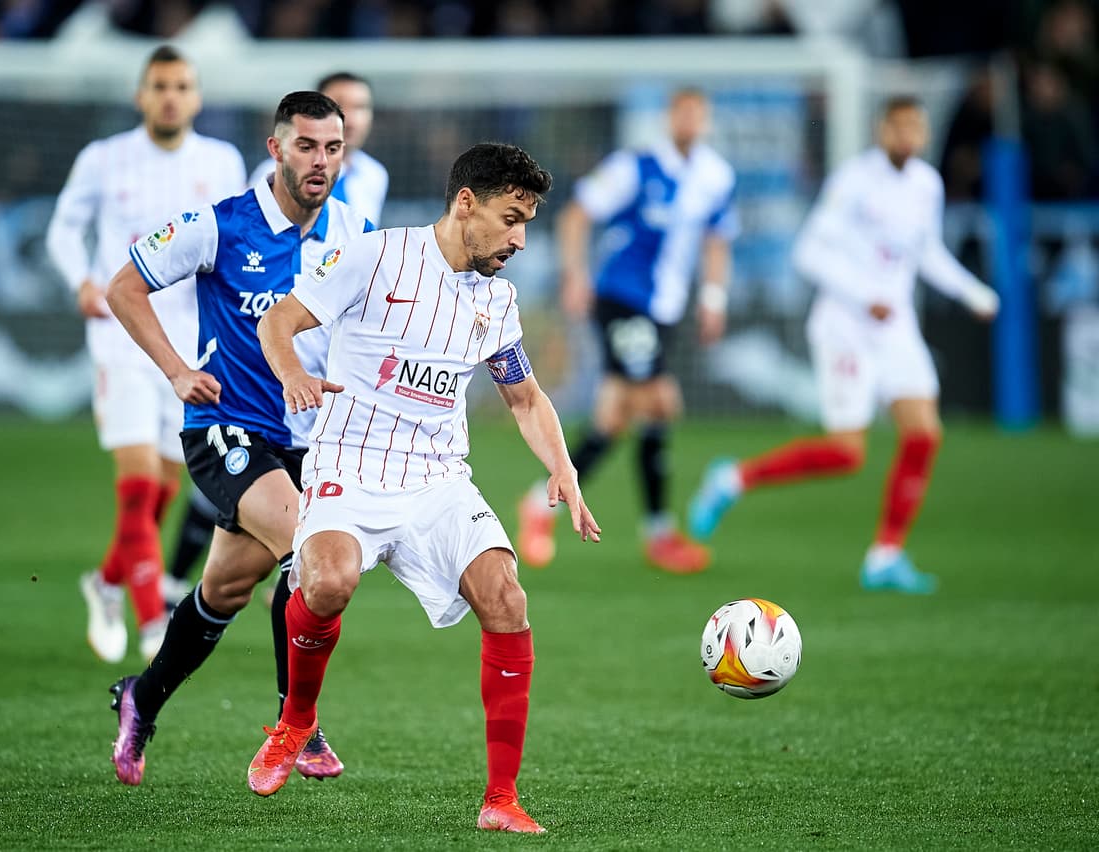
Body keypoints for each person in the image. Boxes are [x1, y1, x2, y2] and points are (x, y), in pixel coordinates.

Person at [250, 142, 602, 834]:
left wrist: (563, 466)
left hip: (436, 476)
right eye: (509, 219)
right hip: (348, 463)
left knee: (506, 596)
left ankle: (501, 800)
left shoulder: (496, 300)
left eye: (527, 223)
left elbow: (525, 399)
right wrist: (292, 373)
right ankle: (296, 722)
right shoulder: (376, 256)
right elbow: (277, 321)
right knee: (325, 584)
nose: (520, 240)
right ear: (465, 203)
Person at [104, 90, 371, 787]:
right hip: (226, 429)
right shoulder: (219, 225)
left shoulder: (355, 231)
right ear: (275, 147)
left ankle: (141, 698)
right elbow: (124, 288)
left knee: (222, 590)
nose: (320, 161)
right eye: (306, 146)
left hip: (306, 442)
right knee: (307, 555)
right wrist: (176, 370)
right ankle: (298, 725)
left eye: (333, 148)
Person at [687, 95, 1000, 593]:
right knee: (847, 452)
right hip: (844, 324)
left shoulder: (926, 184)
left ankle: (885, 556)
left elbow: (929, 252)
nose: (907, 137)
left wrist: (972, 292)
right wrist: (862, 294)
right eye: (898, 127)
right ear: (882, 130)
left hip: (895, 325)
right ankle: (732, 479)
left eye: (915, 128)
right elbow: (809, 251)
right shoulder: (854, 181)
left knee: (923, 434)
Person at [45, 45, 247, 664]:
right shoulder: (104, 159)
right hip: (123, 340)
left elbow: (239, 238)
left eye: (181, 85)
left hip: (191, 346)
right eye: (159, 85)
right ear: (141, 95)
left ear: (197, 98)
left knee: (160, 493)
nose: (170, 96)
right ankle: (153, 619)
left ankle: (106, 583)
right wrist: (80, 277)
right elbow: (62, 227)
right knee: (136, 491)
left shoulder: (220, 161)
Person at [515, 87, 737, 574]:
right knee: (660, 402)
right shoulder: (635, 167)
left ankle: (539, 505)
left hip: (665, 308)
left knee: (614, 417)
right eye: (682, 113)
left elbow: (717, 240)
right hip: (622, 297)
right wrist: (575, 275)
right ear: (668, 117)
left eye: (698, 114)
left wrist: (713, 298)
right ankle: (659, 533)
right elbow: (577, 215)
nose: (690, 122)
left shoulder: (715, 176)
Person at [250, 71, 388, 225]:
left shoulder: (374, 175)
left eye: (360, 107)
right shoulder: (275, 173)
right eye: (339, 106)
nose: (351, 119)